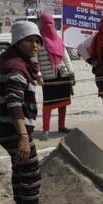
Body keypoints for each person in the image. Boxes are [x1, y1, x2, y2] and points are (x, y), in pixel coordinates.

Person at [0, 21, 56, 204]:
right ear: (18, 40)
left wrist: (34, 78)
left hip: (0, 123)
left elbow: (21, 79)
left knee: (19, 167)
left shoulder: (12, 58)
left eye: (38, 41)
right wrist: (23, 137)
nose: (35, 46)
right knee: (31, 175)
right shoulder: (16, 67)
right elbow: (14, 104)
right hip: (12, 128)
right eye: (30, 41)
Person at [37, 12, 74, 141]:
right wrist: (39, 75)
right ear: (41, 24)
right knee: (48, 105)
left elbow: (66, 57)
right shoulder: (38, 40)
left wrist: (71, 73)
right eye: (46, 23)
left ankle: (61, 126)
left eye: (50, 24)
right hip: (48, 77)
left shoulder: (58, 39)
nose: (49, 26)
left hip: (62, 75)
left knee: (63, 103)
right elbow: (35, 60)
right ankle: (45, 130)